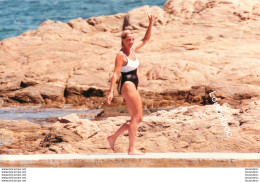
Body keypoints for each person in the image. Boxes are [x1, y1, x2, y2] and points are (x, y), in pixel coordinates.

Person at [106, 12, 153, 155]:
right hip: (127, 85)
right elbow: (115, 73)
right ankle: (131, 149)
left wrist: (150, 24)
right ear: (123, 40)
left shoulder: (133, 49)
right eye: (129, 40)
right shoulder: (121, 55)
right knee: (135, 117)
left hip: (134, 85)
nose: (131, 42)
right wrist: (110, 92)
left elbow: (145, 39)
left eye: (133, 39)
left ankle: (112, 137)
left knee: (139, 119)